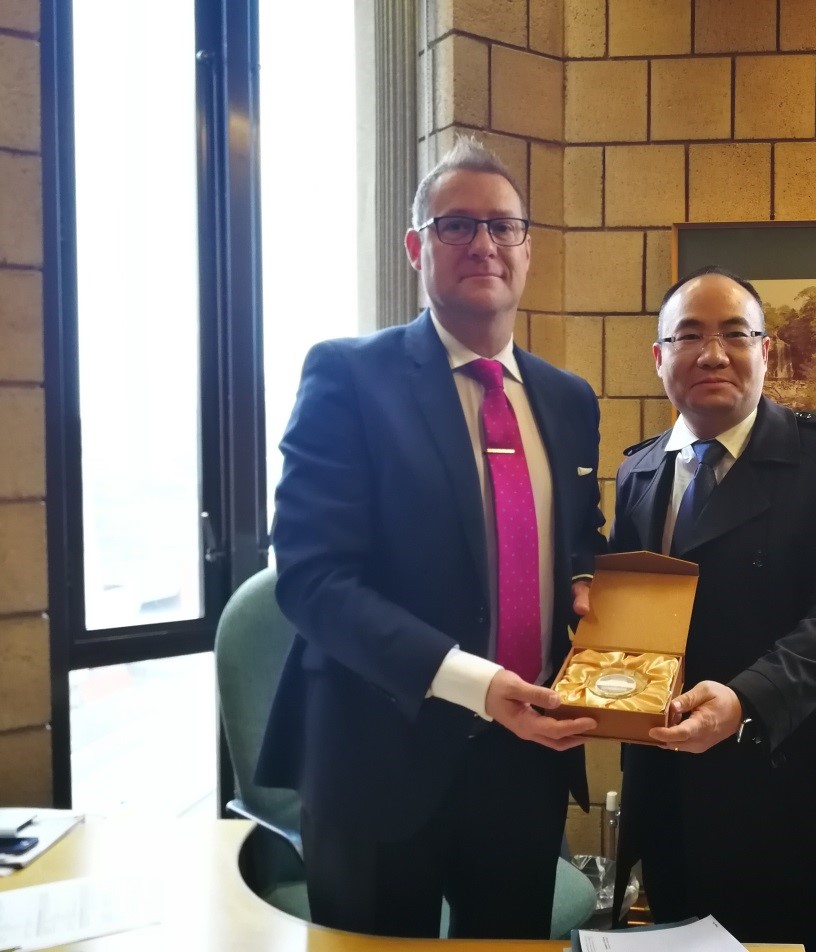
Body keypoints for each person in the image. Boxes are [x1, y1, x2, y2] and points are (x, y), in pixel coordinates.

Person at [255, 137, 604, 939]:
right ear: (416, 247)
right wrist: (473, 682)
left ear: (527, 249)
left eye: (502, 226)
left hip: (524, 763)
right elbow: (311, 579)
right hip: (378, 756)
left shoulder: (568, 398)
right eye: (456, 225)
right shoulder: (348, 377)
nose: (483, 243)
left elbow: (577, 530)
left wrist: (585, 578)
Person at [609, 266, 816, 951]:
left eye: (734, 335)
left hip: (783, 784)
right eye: (688, 336)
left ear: (765, 352)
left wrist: (744, 700)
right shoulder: (639, 471)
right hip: (670, 790)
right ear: (659, 358)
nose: (712, 354)